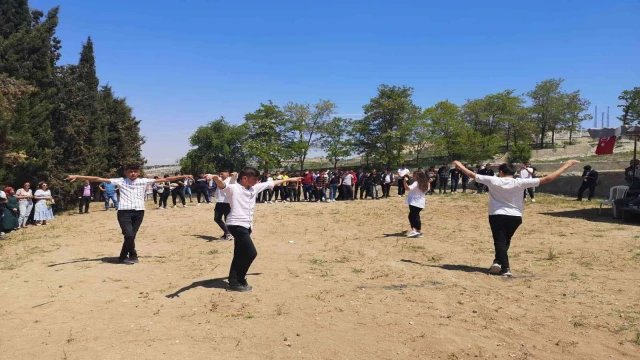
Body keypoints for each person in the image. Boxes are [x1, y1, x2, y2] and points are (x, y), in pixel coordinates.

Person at [454, 159, 579, 277]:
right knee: (505, 240)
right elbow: (548, 178)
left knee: (500, 241)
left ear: (501, 172)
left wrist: (459, 165)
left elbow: (471, 174)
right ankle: (497, 261)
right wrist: (566, 165)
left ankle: (505, 268)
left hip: (497, 214)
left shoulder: (493, 180)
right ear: (513, 173)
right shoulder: (520, 182)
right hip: (515, 216)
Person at [66, 165, 191, 264]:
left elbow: (166, 179)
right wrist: (78, 176)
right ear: (126, 172)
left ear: (139, 172)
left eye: (135, 171)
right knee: (129, 234)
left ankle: (122, 256)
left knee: (131, 236)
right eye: (130, 171)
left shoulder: (144, 181)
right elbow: (97, 179)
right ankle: (133, 254)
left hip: (139, 212)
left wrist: (184, 176)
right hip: (124, 212)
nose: (133, 173)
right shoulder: (120, 181)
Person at [208, 168, 300, 292]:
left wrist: (290, 179)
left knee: (239, 254)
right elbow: (222, 184)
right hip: (236, 224)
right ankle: (240, 278)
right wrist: (215, 178)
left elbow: (270, 184)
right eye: (254, 179)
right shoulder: (234, 188)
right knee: (251, 253)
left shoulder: (254, 188)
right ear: (245, 178)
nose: (256, 182)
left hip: (247, 225)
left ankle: (233, 281)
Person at [404, 171, 430, 238]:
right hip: (420, 202)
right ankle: (416, 230)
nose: (413, 176)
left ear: (418, 176)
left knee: (413, 216)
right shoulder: (424, 183)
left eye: (414, 175)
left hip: (414, 202)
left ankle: (416, 231)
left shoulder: (416, 183)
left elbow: (408, 188)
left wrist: (404, 182)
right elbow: (428, 189)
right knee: (415, 216)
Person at [214, 170, 237, 241]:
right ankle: (227, 233)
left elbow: (235, 176)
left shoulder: (231, 180)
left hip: (227, 202)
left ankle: (228, 234)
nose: (220, 175)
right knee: (217, 218)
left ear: (227, 174)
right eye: (220, 174)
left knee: (227, 219)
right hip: (219, 202)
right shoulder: (220, 180)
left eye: (222, 174)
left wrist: (234, 175)